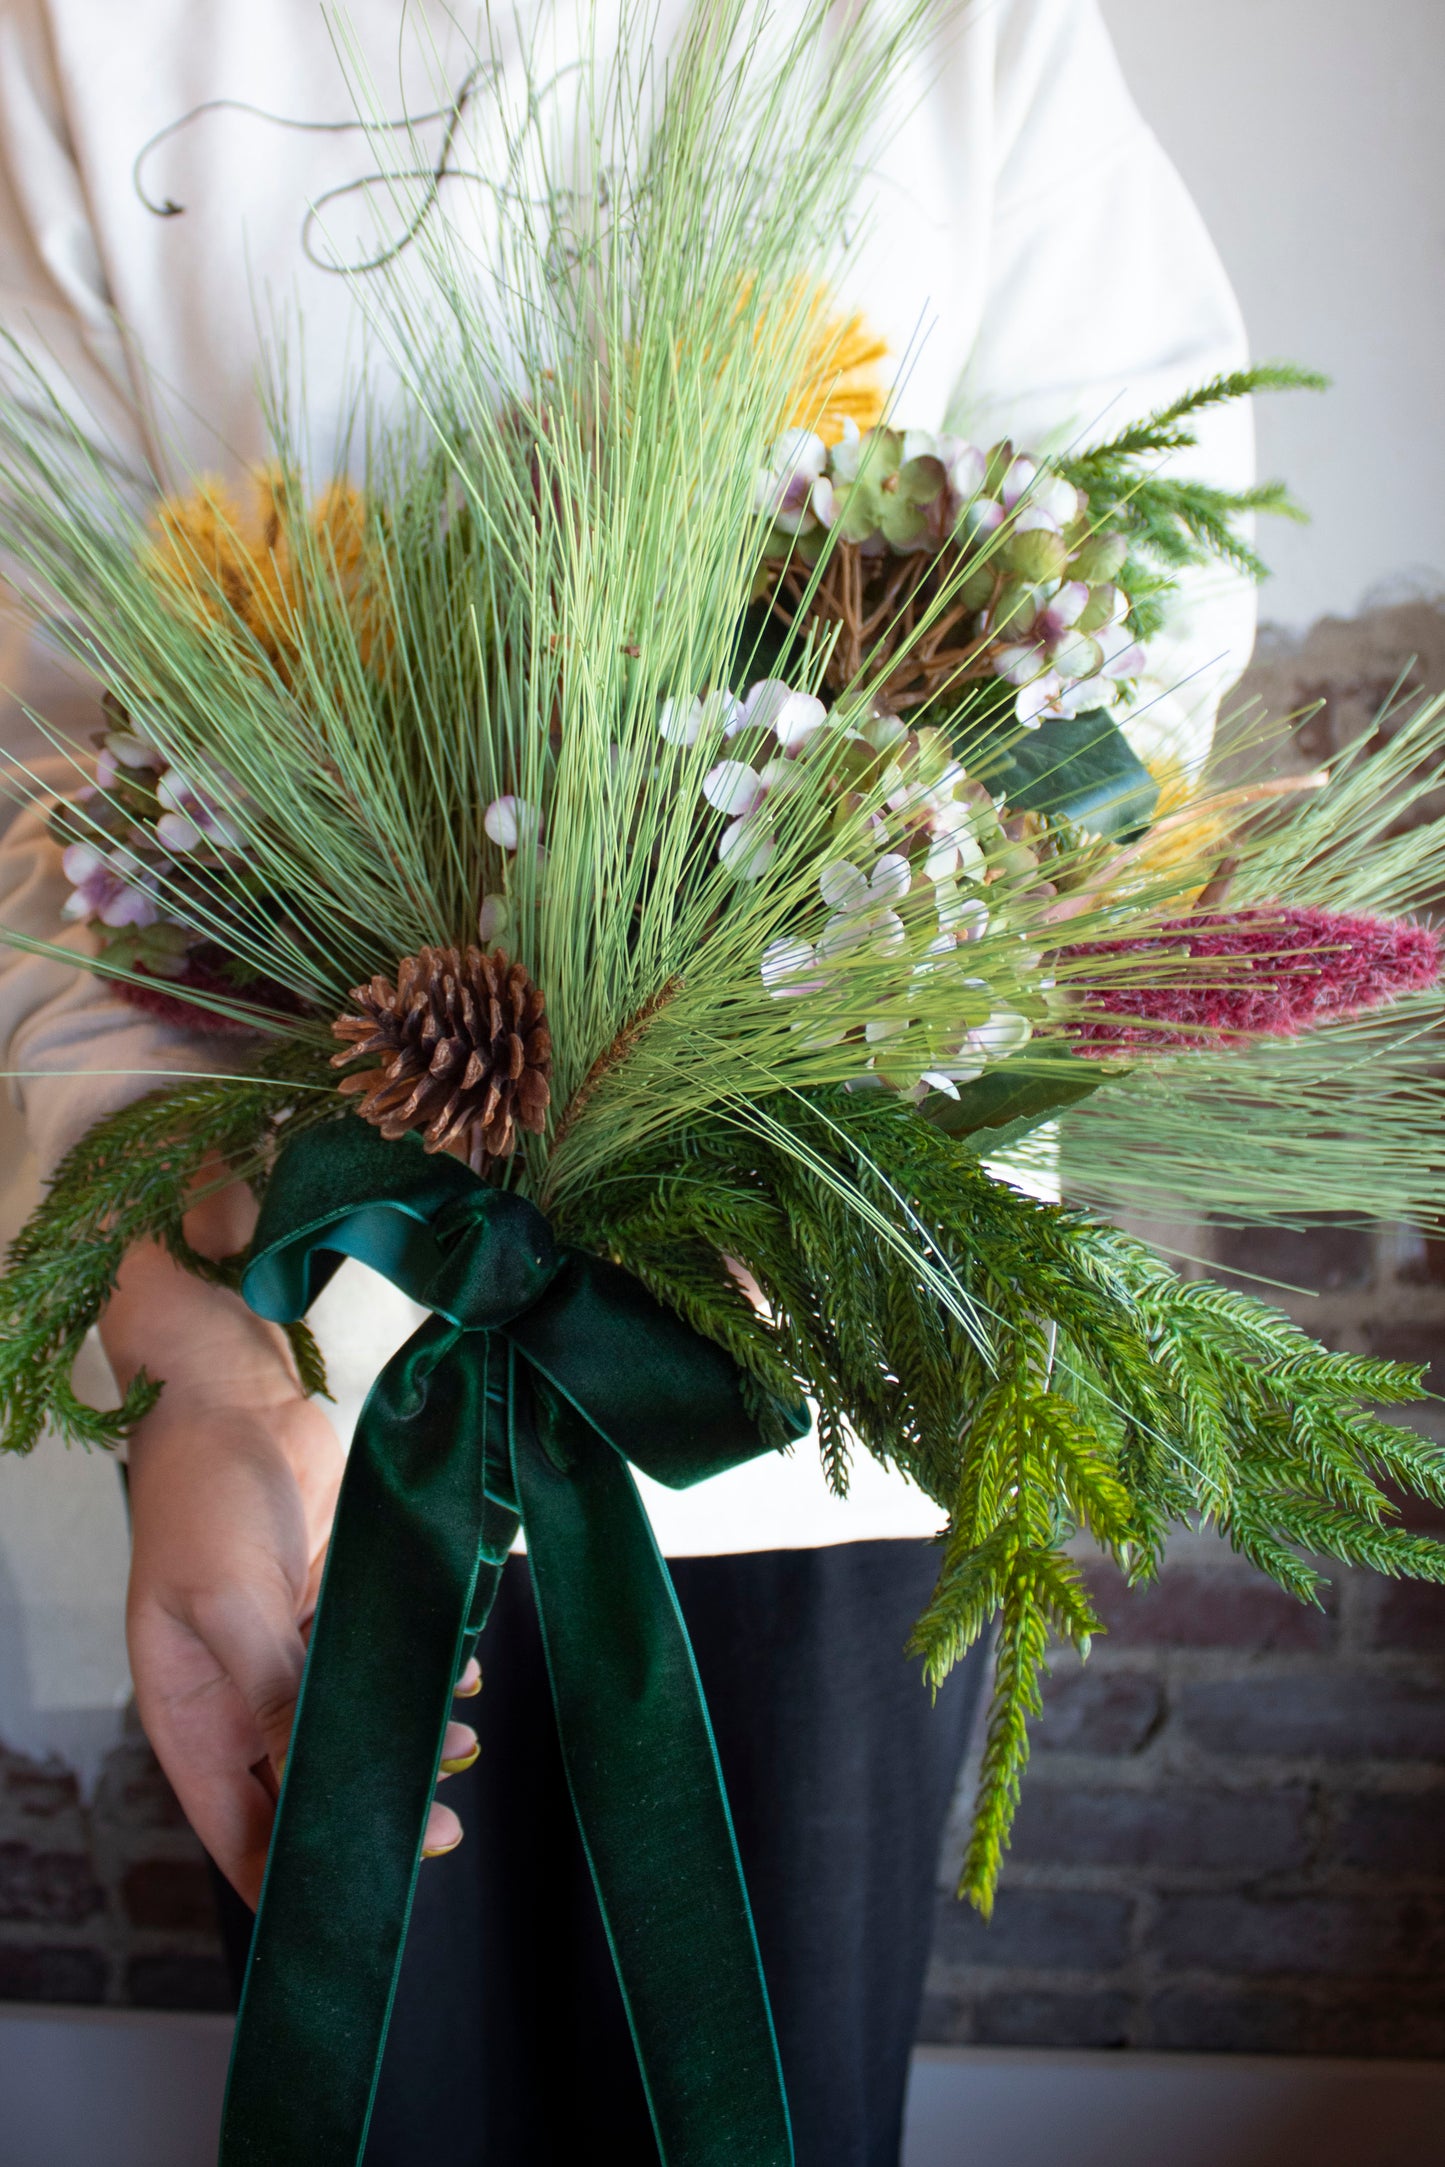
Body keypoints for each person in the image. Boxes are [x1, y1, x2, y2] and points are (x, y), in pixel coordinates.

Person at [0, 2, 1255, 2159]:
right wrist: (196, 1360)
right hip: (308, 1397)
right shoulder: (83, 40)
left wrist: (850, 912)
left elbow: (1137, 642)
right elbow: (48, 769)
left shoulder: (972, 29)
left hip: (823, 1372)